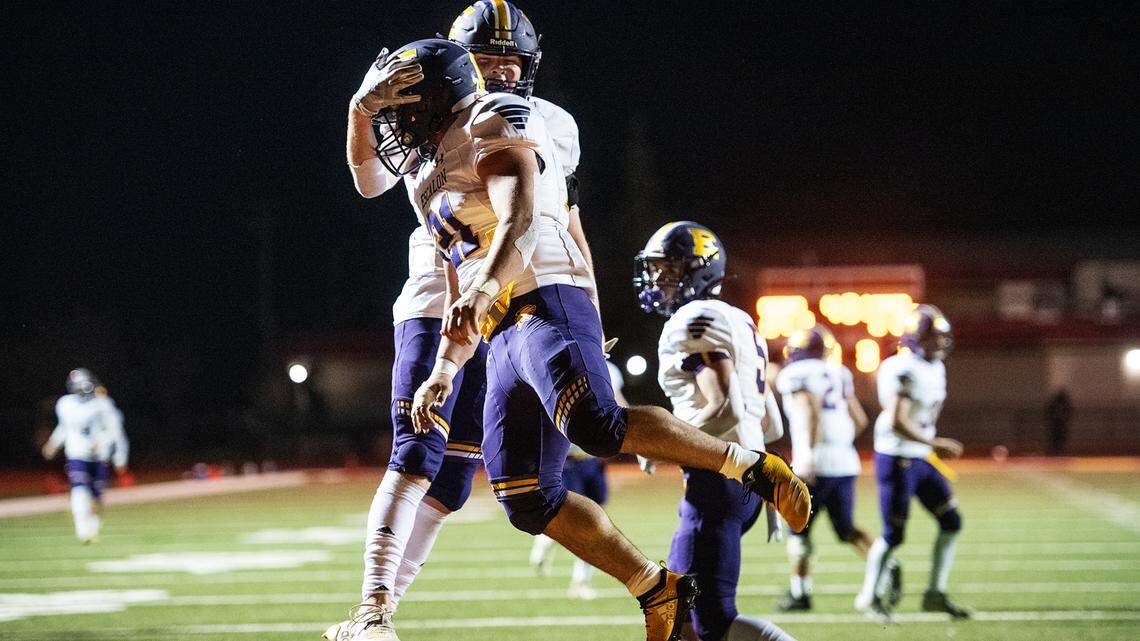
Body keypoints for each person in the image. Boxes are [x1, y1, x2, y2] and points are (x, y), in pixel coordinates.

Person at [395, 40, 809, 641]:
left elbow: (523, 222)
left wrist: (516, 291)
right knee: (525, 497)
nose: (396, 122)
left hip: (543, 288)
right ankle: (652, 584)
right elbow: (460, 281)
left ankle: (751, 466)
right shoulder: (427, 173)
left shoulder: (493, 120)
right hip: (500, 326)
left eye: (405, 106)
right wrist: (443, 368)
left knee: (595, 424)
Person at [328, 4, 597, 640]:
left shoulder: (554, 124)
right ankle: (373, 610)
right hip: (438, 298)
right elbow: (368, 180)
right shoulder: (430, 126)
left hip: (521, 300)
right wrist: (360, 110)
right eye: (485, 58)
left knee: (453, 480)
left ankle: (378, 611)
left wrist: (588, 299)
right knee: (417, 449)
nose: (500, 69)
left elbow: (560, 216)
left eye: (512, 57)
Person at [636, 221, 797, 641]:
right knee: (678, 617)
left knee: (711, 620)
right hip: (745, 481)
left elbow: (725, 407)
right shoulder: (740, 320)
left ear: (697, 270)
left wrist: (659, 444)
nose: (657, 279)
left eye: (668, 269)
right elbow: (772, 422)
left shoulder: (694, 319)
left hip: (718, 481)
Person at [854, 305, 970, 620]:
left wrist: (929, 446)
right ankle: (869, 597)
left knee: (951, 522)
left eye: (943, 337)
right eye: (935, 337)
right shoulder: (903, 368)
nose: (942, 343)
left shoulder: (934, 366)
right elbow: (895, 420)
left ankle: (935, 593)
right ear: (917, 338)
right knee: (894, 535)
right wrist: (935, 443)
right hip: (897, 457)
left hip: (919, 457)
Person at [773, 325, 890, 612]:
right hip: (845, 461)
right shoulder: (839, 372)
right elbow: (860, 419)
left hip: (815, 463)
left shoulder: (796, 374)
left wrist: (810, 454)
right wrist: (840, 442)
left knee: (798, 529)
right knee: (845, 528)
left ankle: (800, 595)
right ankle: (886, 564)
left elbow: (811, 409)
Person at [529, 361, 624, 598]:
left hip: (593, 460)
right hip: (567, 461)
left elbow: (620, 404)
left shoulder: (610, 370)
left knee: (595, 522)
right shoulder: (561, 363)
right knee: (585, 525)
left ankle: (546, 542)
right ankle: (578, 580)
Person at [41, 369, 128, 544]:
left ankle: (93, 526)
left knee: (97, 495)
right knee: (79, 488)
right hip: (77, 453)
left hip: (99, 455)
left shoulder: (103, 404)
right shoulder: (65, 404)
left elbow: (115, 431)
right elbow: (65, 427)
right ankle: (82, 528)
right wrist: (53, 443)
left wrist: (117, 454)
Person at [1046, 389, 1072, 456]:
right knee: (1057, 438)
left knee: (1058, 439)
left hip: (1059, 424)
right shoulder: (1063, 403)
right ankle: (1057, 451)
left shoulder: (1057, 403)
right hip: (1058, 424)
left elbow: (1069, 411)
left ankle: (1058, 451)